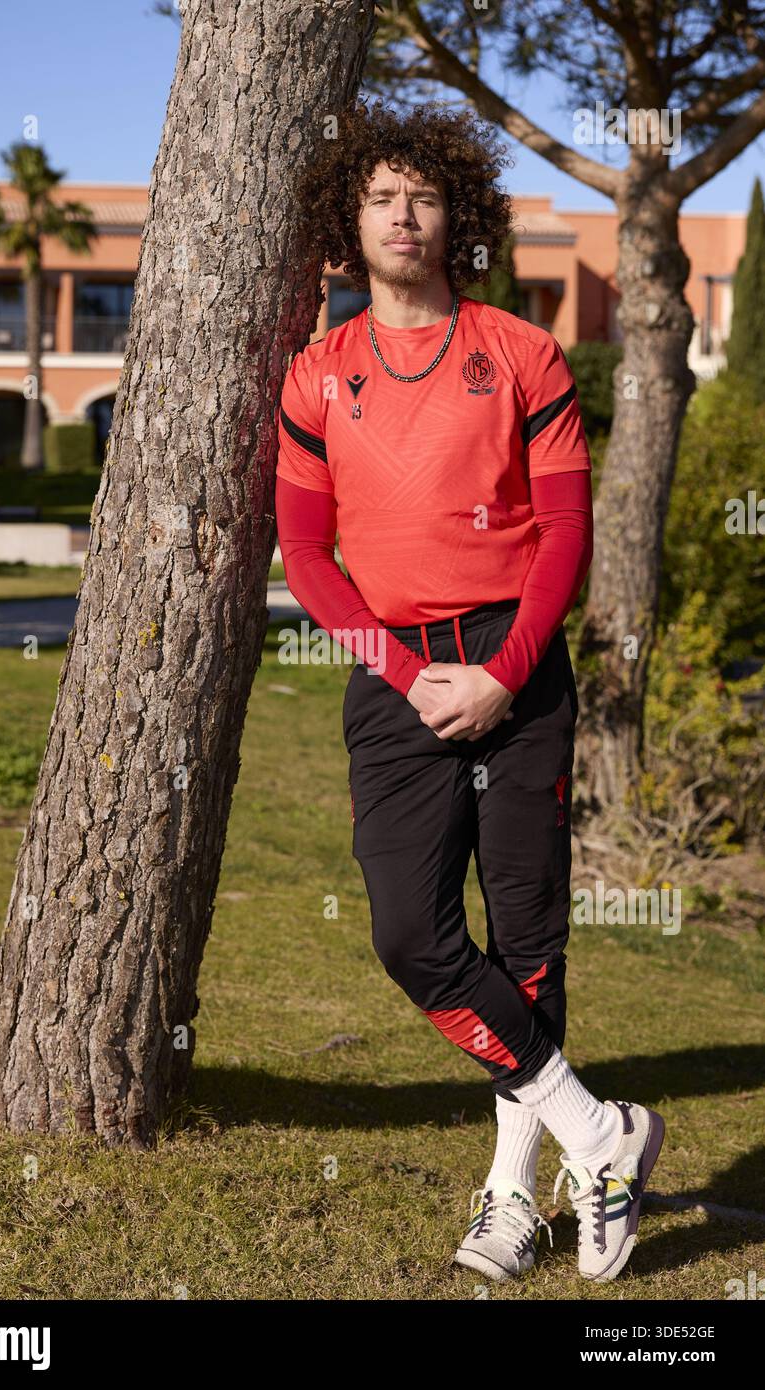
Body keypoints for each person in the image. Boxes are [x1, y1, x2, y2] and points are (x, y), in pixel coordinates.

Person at [274, 99, 664, 1284]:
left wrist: (499, 678)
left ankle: (511, 1198)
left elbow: (563, 533)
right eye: (381, 195)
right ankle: (600, 1131)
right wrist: (405, 674)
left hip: (517, 664)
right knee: (409, 932)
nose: (403, 214)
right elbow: (303, 555)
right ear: (349, 222)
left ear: (457, 218)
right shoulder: (315, 375)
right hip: (394, 674)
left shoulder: (522, 351)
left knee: (527, 934)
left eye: (424, 196)